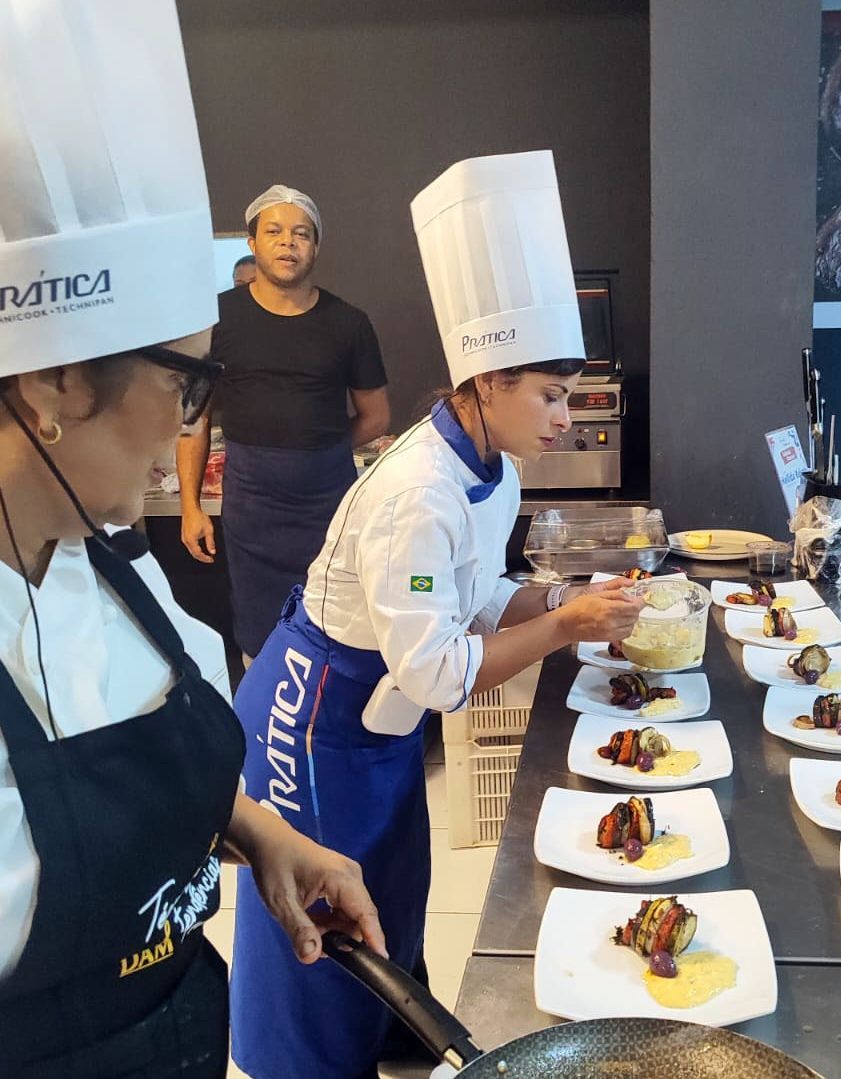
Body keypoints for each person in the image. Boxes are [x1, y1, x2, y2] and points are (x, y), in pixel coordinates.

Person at [0, 5, 383, 1077]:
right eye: (187, 382)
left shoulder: (110, 564)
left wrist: (258, 834)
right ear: (51, 382)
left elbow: (134, 772)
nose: (194, 425)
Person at [229, 150, 644, 1079]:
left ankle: (388, 1046)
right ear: (484, 382)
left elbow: (477, 595)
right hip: (316, 718)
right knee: (320, 932)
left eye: (567, 396)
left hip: (377, 722)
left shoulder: (490, 467)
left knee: (393, 895)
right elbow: (439, 673)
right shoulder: (419, 488)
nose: (564, 418)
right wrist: (563, 628)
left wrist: (556, 599)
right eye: (548, 395)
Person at [178, 185, 391, 663]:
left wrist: (320, 453)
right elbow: (193, 419)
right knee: (260, 635)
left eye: (301, 233)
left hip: (329, 506)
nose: (287, 242)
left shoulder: (349, 323)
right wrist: (191, 507)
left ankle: (327, 729)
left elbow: (377, 417)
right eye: (273, 231)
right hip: (251, 507)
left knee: (338, 623)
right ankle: (267, 730)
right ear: (252, 243)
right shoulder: (216, 319)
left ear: (315, 247)